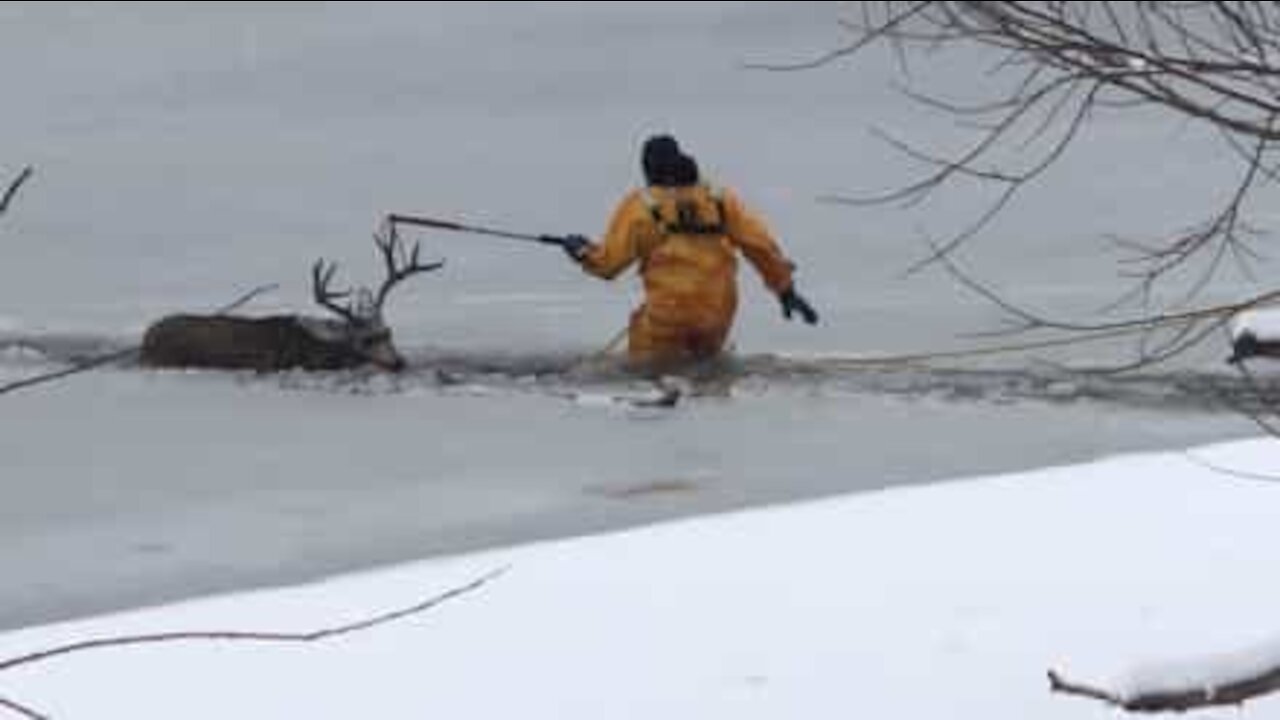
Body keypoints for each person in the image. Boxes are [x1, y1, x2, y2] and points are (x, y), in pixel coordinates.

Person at [542, 134, 818, 371]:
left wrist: (580, 250)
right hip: (717, 312)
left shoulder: (641, 206)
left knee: (647, 372)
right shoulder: (719, 199)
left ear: (648, 169)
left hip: (668, 315)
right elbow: (761, 246)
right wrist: (785, 290)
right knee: (703, 372)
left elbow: (608, 265)